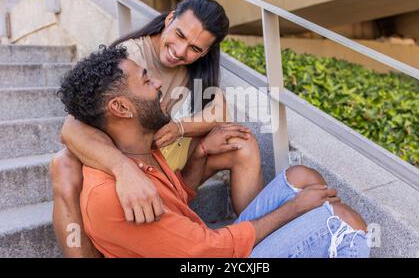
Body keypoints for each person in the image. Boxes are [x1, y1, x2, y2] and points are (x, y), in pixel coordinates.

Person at [57, 44, 371, 258]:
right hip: (207, 255)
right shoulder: (112, 195)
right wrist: (295, 209)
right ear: (121, 107)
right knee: (344, 222)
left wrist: (201, 151)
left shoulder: (137, 150)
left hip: (202, 246)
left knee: (301, 176)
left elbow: (175, 203)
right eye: (145, 79)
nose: (157, 83)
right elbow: (208, 250)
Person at [50, 0, 265, 257]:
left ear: (206, 51)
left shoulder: (196, 66)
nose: (181, 51)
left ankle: (258, 239)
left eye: (195, 48)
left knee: (240, 142)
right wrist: (124, 170)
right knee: (64, 162)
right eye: (179, 34)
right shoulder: (131, 56)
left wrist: (180, 128)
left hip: (163, 152)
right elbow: (71, 128)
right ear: (169, 19)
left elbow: (220, 111)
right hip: (131, 155)